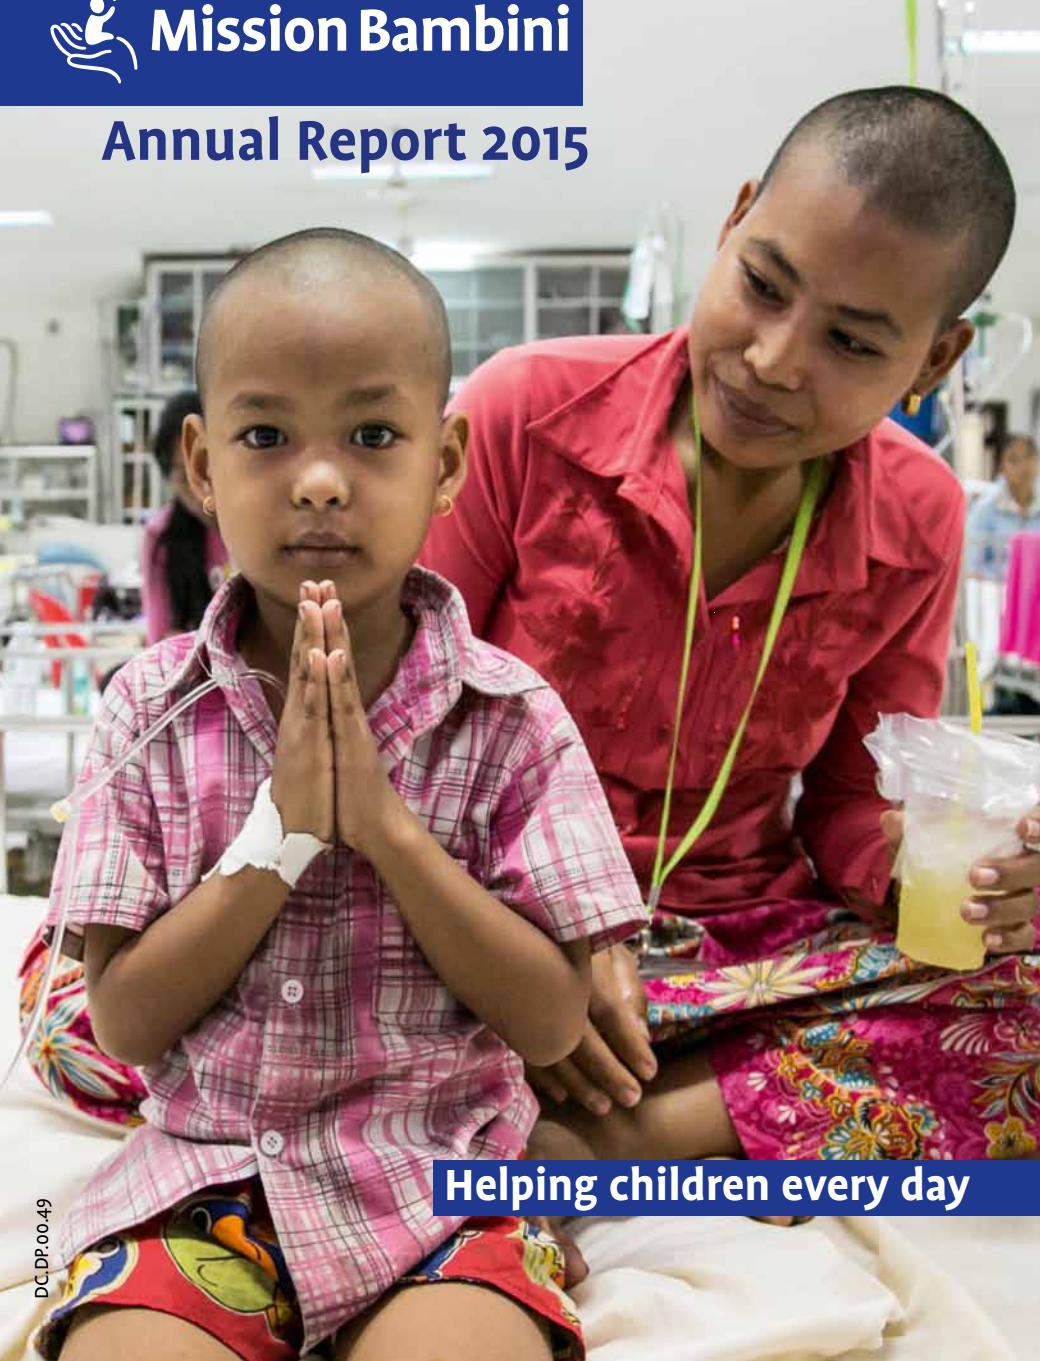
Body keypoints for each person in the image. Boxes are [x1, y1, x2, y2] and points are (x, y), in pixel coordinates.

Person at [421, 87, 1040, 1197]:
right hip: (493, 926)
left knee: (1034, 973)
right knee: (164, 991)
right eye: (762, 284)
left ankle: (609, 1137)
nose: (772, 360)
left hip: (735, 947)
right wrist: (553, 940)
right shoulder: (525, 413)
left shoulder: (918, 516)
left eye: (851, 341)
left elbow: (850, 803)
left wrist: (928, 869)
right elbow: (398, 734)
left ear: (934, 361)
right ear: (733, 220)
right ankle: (711, 1108)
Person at [32, 229, 645, 1361]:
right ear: (203, 465)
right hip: (204, 1183)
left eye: (372, 435)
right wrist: (283, 835)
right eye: (266, 436)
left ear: (446, 462)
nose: (319, 480)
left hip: (444, 1187)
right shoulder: (149, 711)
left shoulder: (511, 718)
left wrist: (384, 827)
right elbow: (123, 1021)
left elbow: (553, 1019)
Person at [142, 389, 232, 642]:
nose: (202, 492)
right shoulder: (162, 535)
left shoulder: (259, 523)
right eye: (184, 478)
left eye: (208, 472)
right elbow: (161, 638)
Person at [966, 433, 1040, 578]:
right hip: (996, 588)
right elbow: (972, 565)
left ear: (1037, 462)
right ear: (1002, 468)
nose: (1022, 466)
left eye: (1028, 457)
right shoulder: (985, 510)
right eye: (1013, 460)